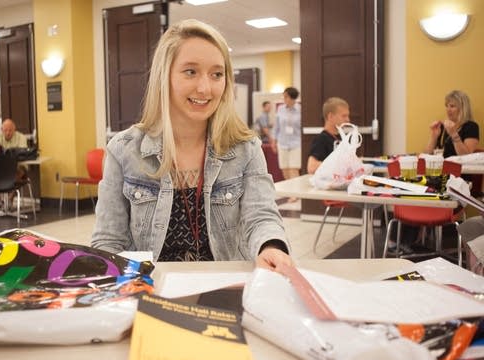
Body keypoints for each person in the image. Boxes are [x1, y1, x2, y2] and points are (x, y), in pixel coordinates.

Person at [91, 19, 294, 274]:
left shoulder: (246, 148)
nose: (205, 88)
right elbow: (108, 241)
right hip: (150, 293)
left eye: (216, 74)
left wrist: (271, 247)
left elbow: (261, 217)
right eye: (190, 72)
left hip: (223, 289)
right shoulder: (123, 150)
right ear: (165, 77)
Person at [424, 90, 479, 157]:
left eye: (452, 106)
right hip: (442, 166)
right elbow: (426, 156)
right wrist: (433, 137)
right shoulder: (442, 127)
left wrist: (454, 134)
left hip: (460, 167)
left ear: (462, 108)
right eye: (447, 106)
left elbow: (466, 157)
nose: (448, 109)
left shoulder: (471, 126)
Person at [307, 97, 350, 174]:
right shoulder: (321, 139)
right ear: (330, 116)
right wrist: (339, 164)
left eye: (347, 116)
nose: (348, 120)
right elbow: (311, 168)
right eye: (344, 116)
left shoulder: (342, 138)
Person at [0, 118, 29, 209]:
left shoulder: (21, 137)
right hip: (0, 167)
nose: (8, 133)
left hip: (17, 167)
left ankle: (10, 199)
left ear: (14, 129)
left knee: (18, 172)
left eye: (10, 130)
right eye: (5, 130)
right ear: (2, 130)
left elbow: (22, 153)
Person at [273, 87, 301, 202]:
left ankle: (296, 194)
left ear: (292, 98)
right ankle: (291, 192)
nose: (284, 99)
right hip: (282, 142)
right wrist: (274, 141)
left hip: (296, 143)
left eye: (286, 97)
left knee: (293, 169)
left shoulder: (300, 110)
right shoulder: (280, 109)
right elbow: (276, 126)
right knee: (284, 169)